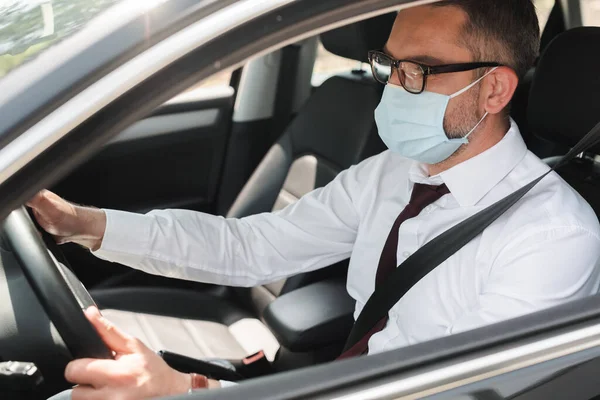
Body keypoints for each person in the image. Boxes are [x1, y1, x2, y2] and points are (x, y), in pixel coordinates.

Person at [37, 1, 600, 398]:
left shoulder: (551, 238)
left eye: (417, 71)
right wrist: (84, 225)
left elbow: (457, 394)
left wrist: (191, 391)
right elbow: (250, 247)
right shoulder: (393, 173)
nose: (391, 86)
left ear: (495, 89)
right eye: (389, 65)